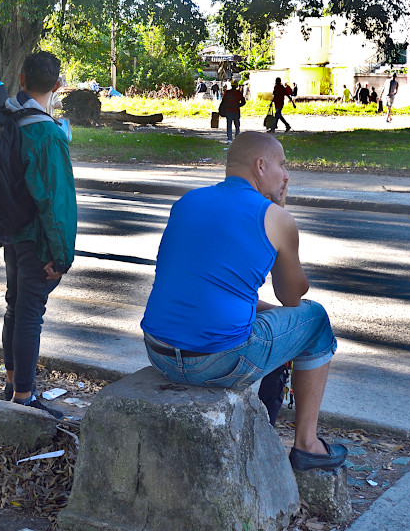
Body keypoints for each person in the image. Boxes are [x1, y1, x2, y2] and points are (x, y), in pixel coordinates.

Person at [140, 131, 346, 472]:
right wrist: (280, 213)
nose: (286, 175)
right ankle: (308, 445)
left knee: (262, 311)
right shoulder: (276, 218)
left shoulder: (188, 200)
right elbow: (292, 297)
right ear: (260, 165)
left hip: (159, 352)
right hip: (217, 363)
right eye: (282, 165)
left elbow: (213, 289)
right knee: (316, 320)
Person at [0, 52, 77, 419]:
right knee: (30, 314)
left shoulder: (9, 119)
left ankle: (11, 380)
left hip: (12, 231)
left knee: (14, 305)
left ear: (21, 80)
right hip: (38, 239)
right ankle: (24, 395)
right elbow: (56, 202)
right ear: (57, 86)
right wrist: (61, 255)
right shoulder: (46, 133)